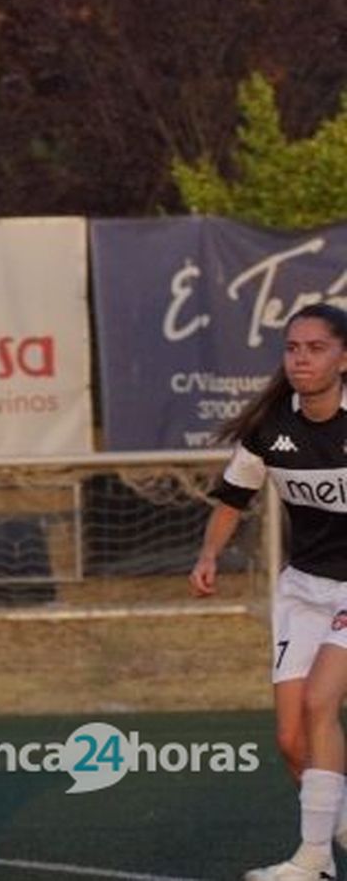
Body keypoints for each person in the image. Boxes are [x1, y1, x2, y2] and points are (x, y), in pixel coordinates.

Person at [193, 304, 347, 881]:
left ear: (344, 359)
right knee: (289, 740)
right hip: (303, 588)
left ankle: (311, 860)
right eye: (292, 348)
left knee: (319, 704)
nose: (301, 359)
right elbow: (233, 500)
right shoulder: (269, 428)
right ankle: (331, 842)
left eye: (316, 348)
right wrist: (209, 555)